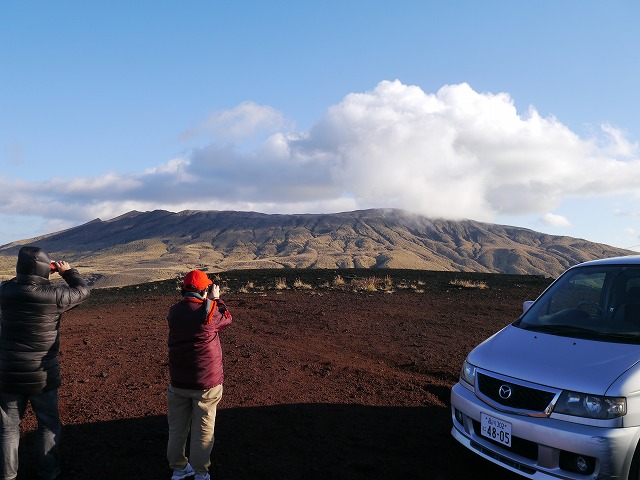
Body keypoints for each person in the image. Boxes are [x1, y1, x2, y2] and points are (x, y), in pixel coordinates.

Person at [0, 246, 90, 480]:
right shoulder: (54, 296)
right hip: (42, 374)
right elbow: (82, 291)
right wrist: (67, 272)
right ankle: (48, 472)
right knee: (48, 425)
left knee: (8, 429)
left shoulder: (6, 291)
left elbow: (18, 282)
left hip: (7, 371)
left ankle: (7, 475)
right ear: (44, 269)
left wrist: (27, 274)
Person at [167, 270, 232, 480]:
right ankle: (200, 472)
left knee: (177, 427)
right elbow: (227, 319)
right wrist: (216, 298)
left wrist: (207, 299)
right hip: (206, 382)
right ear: (204, 289)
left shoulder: (174, 312)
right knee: (204, 428)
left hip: (179, 381)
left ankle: (178, 468)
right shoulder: (209, 312)